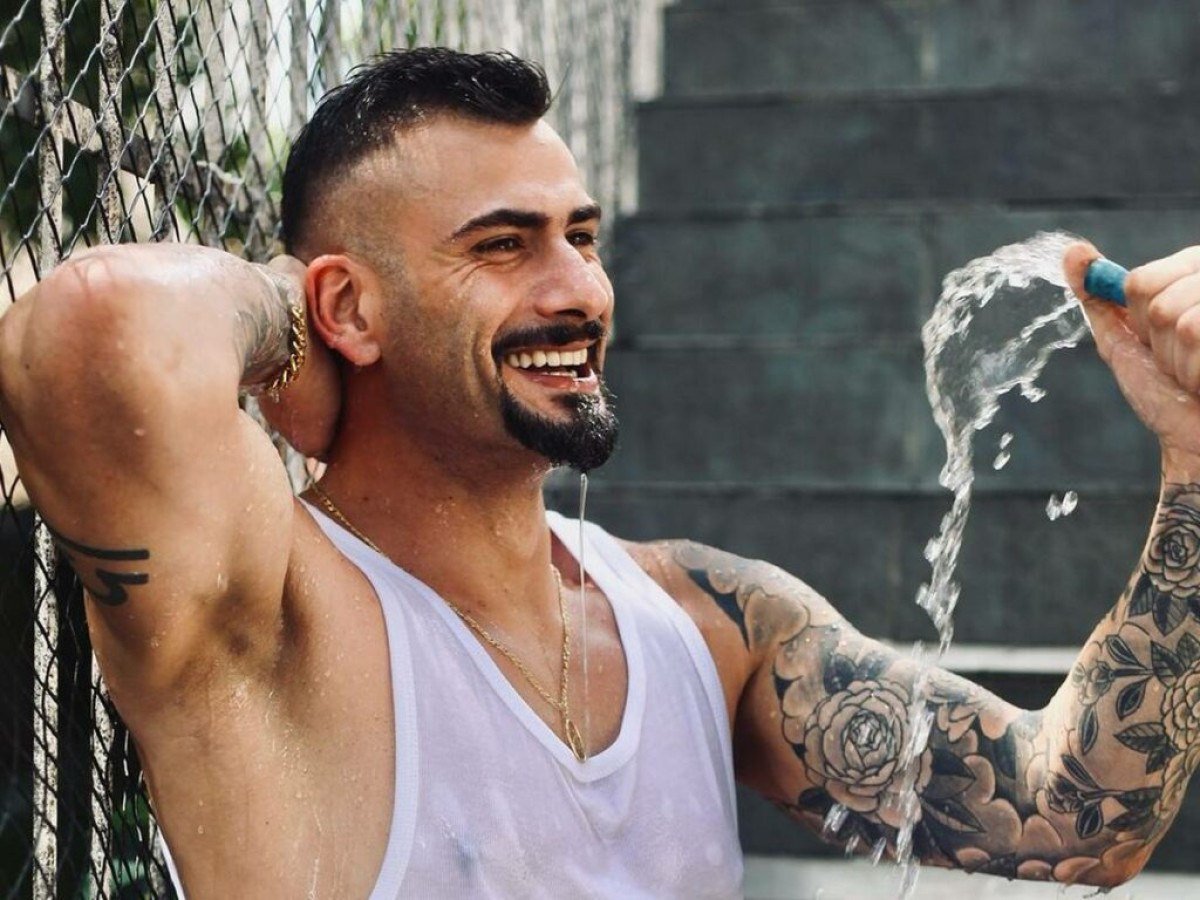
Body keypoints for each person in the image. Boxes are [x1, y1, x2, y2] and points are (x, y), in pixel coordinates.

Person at [0, 46, 1198, 898]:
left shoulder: (710, 622)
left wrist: (1195, 453)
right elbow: (98, 327)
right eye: (503, 246)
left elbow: (1075, 814)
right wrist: (295, 324)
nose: (578, 289)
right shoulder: (276, 621)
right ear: (349, 307)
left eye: (582, 236)